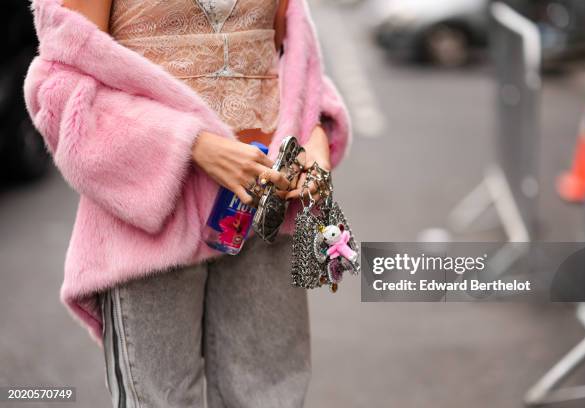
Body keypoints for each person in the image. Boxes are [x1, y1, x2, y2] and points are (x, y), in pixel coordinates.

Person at [24, 0, 351, 406]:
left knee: (272, 396)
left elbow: (292, 57)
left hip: (267, 208)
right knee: (159, 399)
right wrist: (191, 144)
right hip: (154, 224)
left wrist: (313, 133)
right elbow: (58, 89)